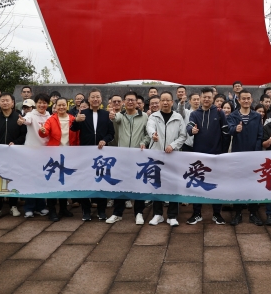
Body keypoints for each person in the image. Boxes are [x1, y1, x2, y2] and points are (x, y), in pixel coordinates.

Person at [186, 87, 229, 225]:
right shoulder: (195, 114)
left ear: (213, 98)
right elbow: (189, 126)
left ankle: (217, 214)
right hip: (199, 155)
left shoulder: (219, 113)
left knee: (217, 185)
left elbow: (226, 133)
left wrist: (223, 152)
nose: (206, 99)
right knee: (197, 185)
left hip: (216, 155)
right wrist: (191, 130)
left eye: (209, 97)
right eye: (204, 97)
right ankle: (196, 213)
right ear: (200, 97)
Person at [71, 88, 114, 221]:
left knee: (102, 181)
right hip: (85, 153)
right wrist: (76, 120)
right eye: (93, 97)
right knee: (85, 181)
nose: (95, 99)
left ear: (101, 99)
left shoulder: (106, 114)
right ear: (88, 99)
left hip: (102, 153)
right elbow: (73, 129)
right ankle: (86, 211)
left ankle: (101, 210)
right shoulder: (82, 113)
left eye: (98, 97)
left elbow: (111, 133)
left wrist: (104, 140)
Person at [108, 91, 150, 224]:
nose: (130, 102)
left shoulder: (144, 116)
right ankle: (117, 213)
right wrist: (112, 116)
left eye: (133, 100)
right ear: (124, 102)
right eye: (127, 100)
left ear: (137, 102)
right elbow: (115, 119)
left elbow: (148, 134)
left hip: (139, 156)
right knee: (120, 184)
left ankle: (139, 213)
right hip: (123, 156)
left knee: (139, 185)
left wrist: (144, 142)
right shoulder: (120, 115)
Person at [0, 93, 27, 219]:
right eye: (2, 101)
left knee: (13, 179)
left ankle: (13, 205)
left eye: (7, 100)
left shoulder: (19, 118)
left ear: (13, 103)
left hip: (14, 155)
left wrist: (16, 143)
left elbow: (24, 135)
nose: (5, 103)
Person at [147, 91, 187, 227]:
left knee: (173, 185)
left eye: (167, 100)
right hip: (156, 155)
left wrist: (173, 145)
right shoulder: (154, 116)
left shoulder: (178, 117)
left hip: (172, 156)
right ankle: (157, 214)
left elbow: (183, 136)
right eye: (162, 100)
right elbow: (150, 127)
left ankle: (172, 215)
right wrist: (153, 135)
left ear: (172, 102)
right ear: (159, 102)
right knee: (156, 185)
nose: (165, 103)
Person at [227, 90, 264, 226]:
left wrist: (256, 152)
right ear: (239, 100)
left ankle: (253, 213)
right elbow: (229, 130)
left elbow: (260, 136)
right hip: (238, 155)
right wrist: (235, 129)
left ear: (252, 100)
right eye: (243, 98)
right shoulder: (233, 116)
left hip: (253, 155)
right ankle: (238, 213)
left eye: (248, 98)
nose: (246, 101)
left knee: (253, 185)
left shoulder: (257, 116)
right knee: (238, 184)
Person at [39, 97, 79, 221]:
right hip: (54, 155)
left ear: (67, 106)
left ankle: (63, 209)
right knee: (52, 182)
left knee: (64, 182)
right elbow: (44, 132)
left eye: (63, 105)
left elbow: (77, 136)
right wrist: (42, 131)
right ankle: (52, 210)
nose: (61, 107)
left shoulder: (73, 119)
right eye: (59, 105)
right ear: (55, 107)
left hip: (69, 154)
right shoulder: (51, 119)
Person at [18, 93, 51, 218]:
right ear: (35, 104)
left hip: (45, 152)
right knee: (31, 180)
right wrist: (22, 120)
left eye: (44, 103)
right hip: (31, 152)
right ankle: (29, 207)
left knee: (42, 180)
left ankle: (41, 207)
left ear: (48, 104)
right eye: (39, 102)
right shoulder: (31, 114)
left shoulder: (50, 116)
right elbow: (26, 120)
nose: (42, 105)